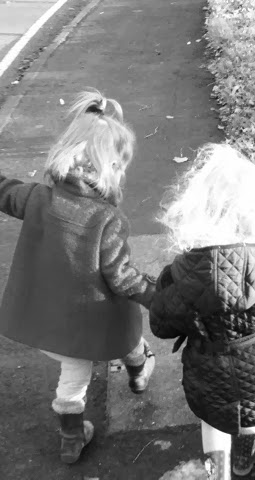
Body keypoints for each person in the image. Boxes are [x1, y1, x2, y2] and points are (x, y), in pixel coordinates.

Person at [149, 144, 255, 479]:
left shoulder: (182, 273)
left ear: (196, 209)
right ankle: (243, 458)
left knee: (213, 422)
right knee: (252, 415)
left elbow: (160, 325)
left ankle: (218, 473)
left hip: (207, 375)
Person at [0, 90, 156, 464]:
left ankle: (72, 437)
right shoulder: (107, 219)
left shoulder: (37, 197)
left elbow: (4, 193)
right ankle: (138, 375)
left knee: (72, 380)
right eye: (119, 165)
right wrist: (158, 293)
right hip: (96, 323)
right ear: (107, 168)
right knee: (129, 339)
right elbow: (122, 278)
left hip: (50, 323)